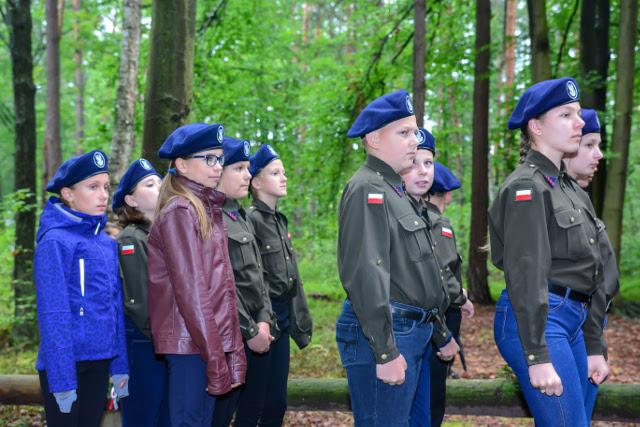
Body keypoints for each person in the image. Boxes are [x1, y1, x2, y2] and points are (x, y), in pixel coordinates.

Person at [489, 78, 609, 426]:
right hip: (540, 320)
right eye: (566, 115)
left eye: (578, 114)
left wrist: (594, 345)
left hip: (572, 319)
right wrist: (537, 354)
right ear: (537, 127)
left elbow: (591, 273)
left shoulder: (570, 188)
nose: (579, 122)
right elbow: (526, 272)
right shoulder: (527, 186)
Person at [336, 90, 457, 426]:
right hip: (388, 331)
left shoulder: (396, 191)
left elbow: (417, 273)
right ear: (374, 139)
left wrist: (439, 332)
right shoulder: (368, 188)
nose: (414, 141)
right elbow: (366, 272)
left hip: (410, 329)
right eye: (403, 133)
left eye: (414, 132)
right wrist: (385, 350)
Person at [147, 123, 246, 427]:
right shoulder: (181, 211)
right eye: (209, 159)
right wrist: (214, 354)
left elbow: (224, 287)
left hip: (205, 339)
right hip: (190, 343)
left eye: (220, 159)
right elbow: (191, 291)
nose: (217, 166)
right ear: (181, 164)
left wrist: (231, 347)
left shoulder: (206, 208)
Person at [34, 150, 129, 427]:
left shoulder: (106, 243)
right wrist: (62, 381)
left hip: (100, 360)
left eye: (106, 187)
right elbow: (53, 314)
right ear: (68, 194)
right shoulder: (55, 241)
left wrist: (120, 366)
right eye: (93, 187)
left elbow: (115, 307)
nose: (103, 195)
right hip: (66, 364)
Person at [242, 143, 313, 426]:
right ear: (256, 182)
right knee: (253, 402)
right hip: (262, 320)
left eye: (283, 172)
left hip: (281, 321)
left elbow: (291, 279)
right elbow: (252, 279)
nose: (283, 178)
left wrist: (300, 319)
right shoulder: (251, 220)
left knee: (276, 403)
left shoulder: (279, 221)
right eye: (275, 173)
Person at [212, 137, 275, 427]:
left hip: (256, 330)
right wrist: (250, 329)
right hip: (231, 336)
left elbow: (259, 276)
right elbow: (222, 285)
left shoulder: (240, 215)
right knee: (220, 415)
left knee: (252, 411)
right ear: (218, 172)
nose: (247, 175)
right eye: (238, 168)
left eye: (248, 169)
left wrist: (264, 320)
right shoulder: (212, 218)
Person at [563, 109, 616, 422]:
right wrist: (592, 342)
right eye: (589, 145)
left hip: (590, 328)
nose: (599, 155)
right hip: (577, 330)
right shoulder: (557, 200)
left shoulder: (580, 199)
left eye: (599, 145)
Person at [112, 159, 169, 427]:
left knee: (165, 417)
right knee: (142, 416)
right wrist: (169, 337)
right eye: (149, 184)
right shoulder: (131, 238)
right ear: (131, 200)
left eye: (160, 182)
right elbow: (139, 303)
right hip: (144, 343)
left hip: (164, 341)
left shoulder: (162, 234)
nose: (159, 187)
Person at [425, 161, 474, 427]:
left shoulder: (420, 217)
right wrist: (462, 298)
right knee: (434, 390)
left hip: (430, 315)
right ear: (447, 194)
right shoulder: (440, 223)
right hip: (443, 315)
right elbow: (443, 271)